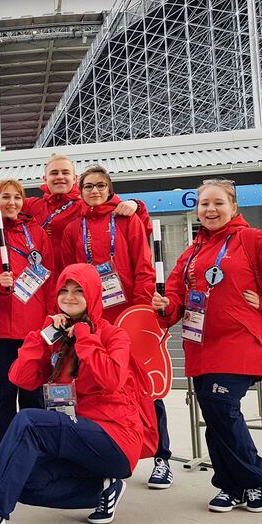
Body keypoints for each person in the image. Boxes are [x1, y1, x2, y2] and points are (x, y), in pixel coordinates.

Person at [0, 264, 156, 524]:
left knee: (29, 420)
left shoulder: (113, 335)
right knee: (25, 481)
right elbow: (20, 378)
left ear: (92, 295)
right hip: (75, 439)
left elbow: (112, 379)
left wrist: (84, 337)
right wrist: (42, 338)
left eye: (79, 291)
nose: (69, 296)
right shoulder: (57, 337)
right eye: (64, 290)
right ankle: (103, 489)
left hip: (113, 438)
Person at [152, 178, 262, 513]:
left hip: (239, 342)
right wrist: (164, 307)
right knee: (215, 414)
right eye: (204, 204)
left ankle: (254, 479)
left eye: (218, 203)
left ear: (233, 207)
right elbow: (177, 299)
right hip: (201, 345)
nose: (210, 209)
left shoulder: (250, 239)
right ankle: (230, 485)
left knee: (223, 409)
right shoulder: (192, 253)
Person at [60, 165, 171, 488]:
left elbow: (143, 266)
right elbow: (67, 275)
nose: (94, 191)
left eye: (100, 185)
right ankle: (101, 460)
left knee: (145, 388)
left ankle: (161, 456)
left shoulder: (126, 219)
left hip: (126, 317)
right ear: (79, 191)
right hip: (91, 321)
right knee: (95, 389)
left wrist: (138, 311)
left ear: (110, 189)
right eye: (88, 186)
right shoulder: (72, 228)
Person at [0, 154, 149, 275]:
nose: (60, 177)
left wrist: (137, 205)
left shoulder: (87, 204)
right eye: (54, 173)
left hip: (74, 282)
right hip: (37, 278)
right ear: (45, 179)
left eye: (65, 173)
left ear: (75, 179)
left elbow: (117, 207)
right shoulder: (32, 206)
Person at [0, 179, 52, 448]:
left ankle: (33, 451)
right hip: (0, 328)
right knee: (4, 393)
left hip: (33, 327)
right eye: (5, 197)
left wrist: (49, 321)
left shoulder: (35, 233)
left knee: (32, 393)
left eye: (17, 197)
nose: (11, 203)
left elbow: (50, 276)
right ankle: (5, 451)